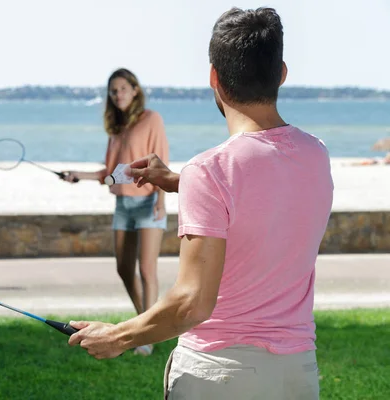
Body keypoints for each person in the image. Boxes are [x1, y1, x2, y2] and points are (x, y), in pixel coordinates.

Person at [68, 7, 333, 400]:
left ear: (214, 78)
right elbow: (262, 198)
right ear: (281, 73)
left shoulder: (209, 171)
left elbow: (192, 303)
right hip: (297, 374)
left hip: (218, 375)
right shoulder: (315, 154)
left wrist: (118, 336)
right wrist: (179, 182)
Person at [63, 68, 170, 356]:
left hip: (149, 203)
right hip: (123, 205)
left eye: (123, 88)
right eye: (113, 90)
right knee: (124, 269)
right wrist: (78, 175)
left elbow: (159, 163)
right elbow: (112, 174)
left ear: (135, 90)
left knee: (147, 270)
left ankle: (145, 337)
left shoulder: (151, 119)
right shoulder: (117, 127)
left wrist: (161, 200)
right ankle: (144, 326)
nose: (118, 94)